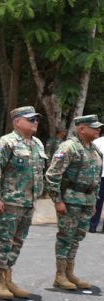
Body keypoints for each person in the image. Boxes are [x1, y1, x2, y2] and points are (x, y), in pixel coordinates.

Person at [0, 106, 47, 300]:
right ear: (17, 121)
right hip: (9, 202)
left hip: (28, 202)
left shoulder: (37, 143)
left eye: (36, 119)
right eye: (30, 119)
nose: (35, 122)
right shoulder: (6, 142)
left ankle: (8, 279)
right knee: (3, 242)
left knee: (17, 242)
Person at [45, 114, 103, 290]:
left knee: (77, 237)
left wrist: (93, 202)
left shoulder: (93, 149)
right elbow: (53, 175)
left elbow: (96, 178)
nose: (98, 129)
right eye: (94, 127)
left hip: (86, 200)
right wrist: (57, 200)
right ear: (82, 129)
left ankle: (70, 272)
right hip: (70, 199)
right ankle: (60, 275)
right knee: (65, 237)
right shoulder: (69, 147)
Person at [88, 131, 104, 233]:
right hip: (99, 176)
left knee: (97, 201)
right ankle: (92, 225)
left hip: (99, 175)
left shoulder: (96, 142)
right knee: (97, 201)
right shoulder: (97, 142)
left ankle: (92, 226)